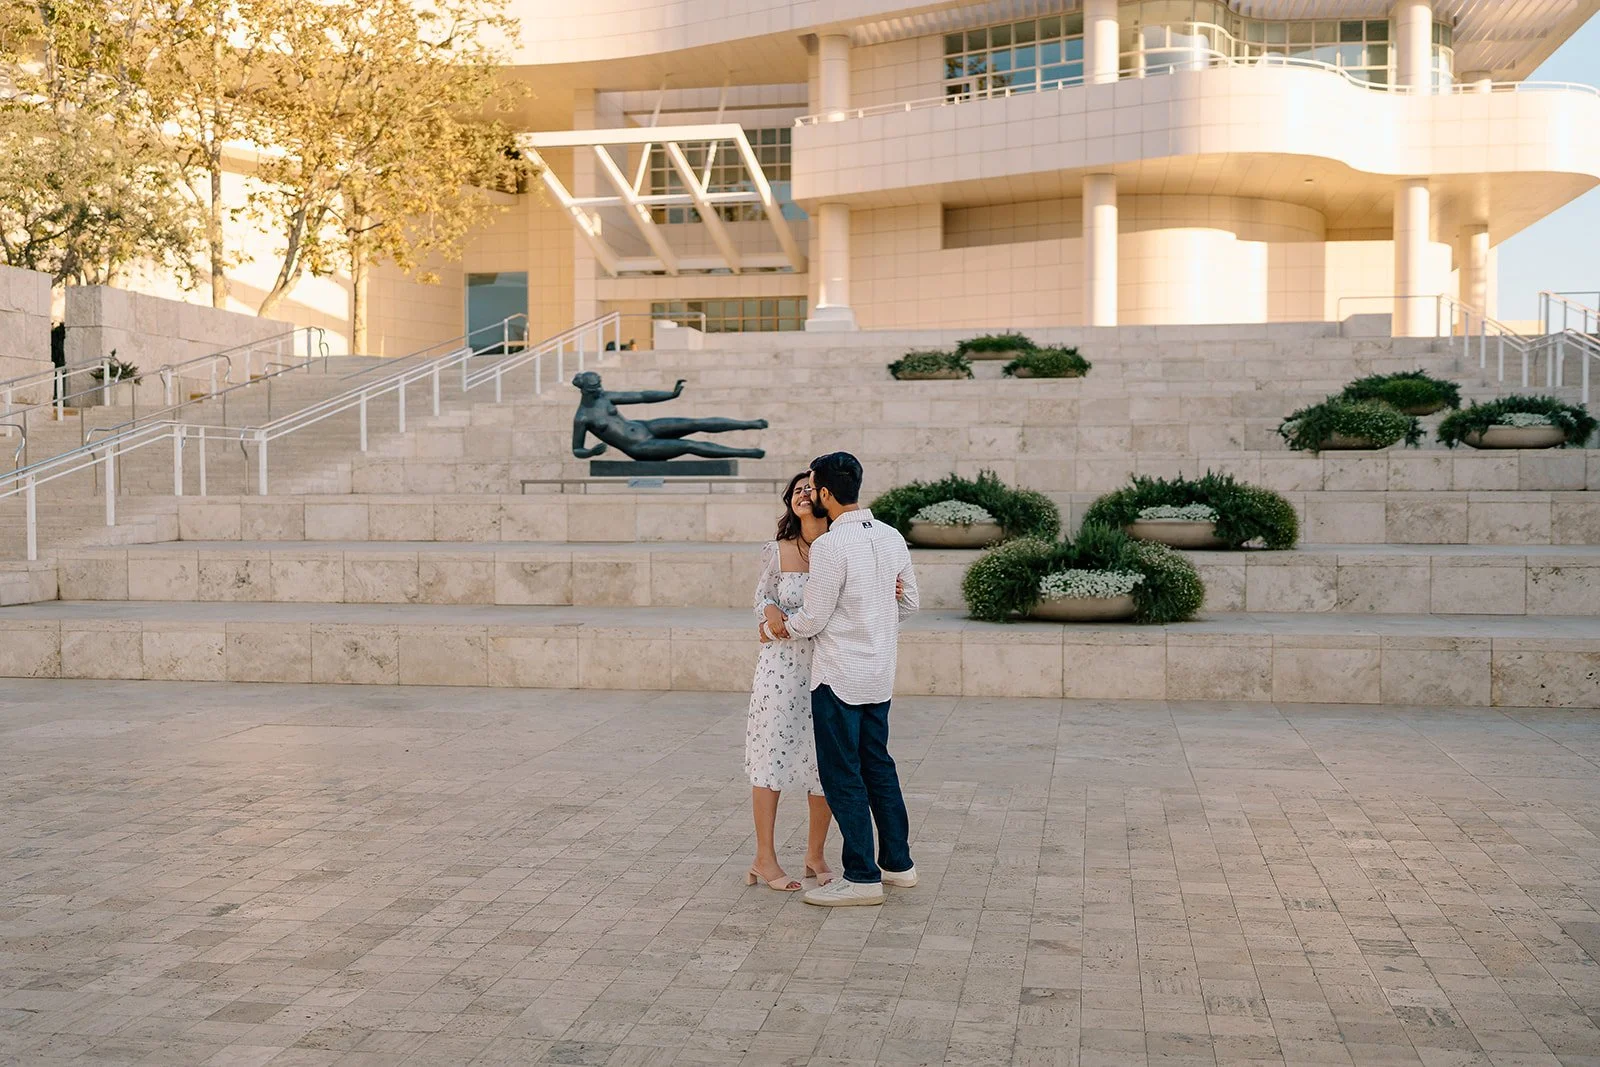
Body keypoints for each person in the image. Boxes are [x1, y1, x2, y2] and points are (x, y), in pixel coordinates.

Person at [764, 452, 920, 907]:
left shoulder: (832, 545)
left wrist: (779, 626)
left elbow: (812, 618)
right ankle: (898, 864)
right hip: (878, 675)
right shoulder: (891, 536)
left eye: (814, 487)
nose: (811, 494)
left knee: (842, 774)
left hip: (837, 678)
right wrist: (877, 605)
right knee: (879, 767)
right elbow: (909, 604)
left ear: (827, 493)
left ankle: (861, 878)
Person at [743, 471, 836, 892]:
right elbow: (762, 597)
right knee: (771, 756)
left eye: (809, 489)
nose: (802, 494)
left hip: (828, 666)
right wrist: (768, 613)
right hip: (780, 671)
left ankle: (815, 854)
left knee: (825, 763)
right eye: (796, 490)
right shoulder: (776, 551)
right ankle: (764, 858)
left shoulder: (841, 549)